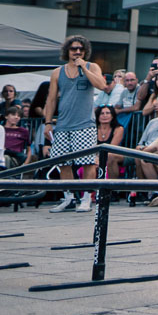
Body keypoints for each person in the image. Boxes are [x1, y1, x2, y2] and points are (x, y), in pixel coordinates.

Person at [44, 35, 106, 213]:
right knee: (63, 162)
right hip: (63, 124)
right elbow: (51, 98)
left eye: (81, 49)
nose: (77, 52)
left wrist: (84, 69)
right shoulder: (57, 72)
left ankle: (86, 197)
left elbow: (102, 85)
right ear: (67, 51)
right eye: (73, 49)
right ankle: (69, 198)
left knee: (87, 162)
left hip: (84, 123)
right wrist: (48, 123)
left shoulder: (91, 66)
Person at [94, 104, 125, 179]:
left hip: (111, 156)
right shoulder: (93, 129)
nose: (105, 116)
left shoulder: (119, 129)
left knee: (109, 157)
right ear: (98, 116)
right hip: (95, 158)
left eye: (108, 113)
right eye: (102, 113)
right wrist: (95, 160)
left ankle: (111, 188)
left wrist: (99, 160)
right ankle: (88, 190)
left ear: (112, 116)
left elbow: (111, 148)